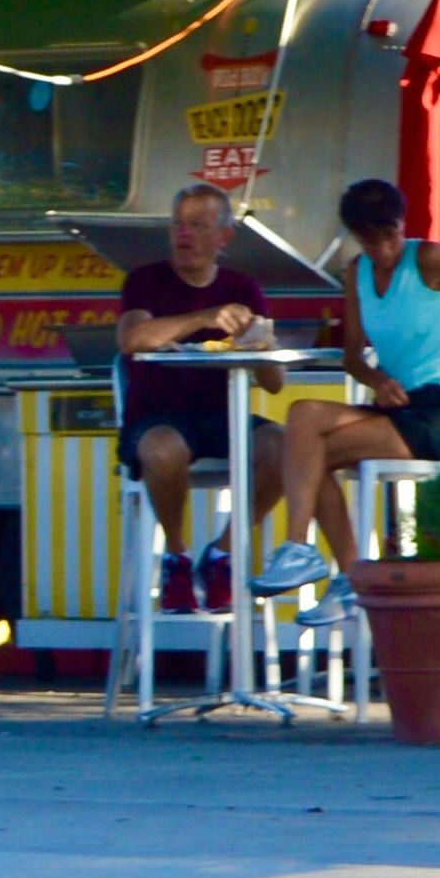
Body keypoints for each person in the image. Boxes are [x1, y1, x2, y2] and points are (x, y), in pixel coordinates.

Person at [260, 173, 440, 597]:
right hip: (396, 407)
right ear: (356, 238)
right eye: (371, 241)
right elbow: (352, 357)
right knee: (302, 420)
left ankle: (322, 563)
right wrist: (378, 380)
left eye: (391, 236)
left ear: (403, 224)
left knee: (308, 454)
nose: (384, 250)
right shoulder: (357, 273)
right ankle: (334, 568)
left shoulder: (428, 258)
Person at [116, 179, 288, 601]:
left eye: (197, 225)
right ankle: (176, 556)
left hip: (221, 417)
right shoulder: (145, 280)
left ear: (223, 237)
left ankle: (223, 554)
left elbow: (274, 383)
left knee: (285, 446)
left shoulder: (243, 289)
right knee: (163, 449)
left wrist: (262, 347)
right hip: (156, 416)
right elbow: (131, 339)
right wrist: (204, 318)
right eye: (178, 224)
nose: (184, 234)